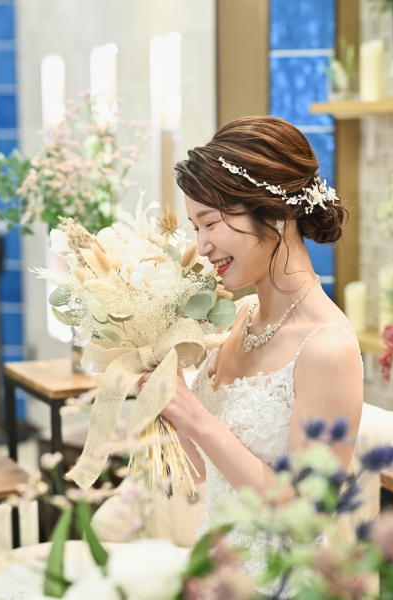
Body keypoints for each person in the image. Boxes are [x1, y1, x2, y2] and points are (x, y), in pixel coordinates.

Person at [141, 115, 364, 579]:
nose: (202, 246)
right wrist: (168, 400)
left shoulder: (328, 348)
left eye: (211, 223)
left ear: (275, 213)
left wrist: (197, 419)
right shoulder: (240, 316)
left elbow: (304, 521)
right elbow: (202, 473)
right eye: (195, 227)